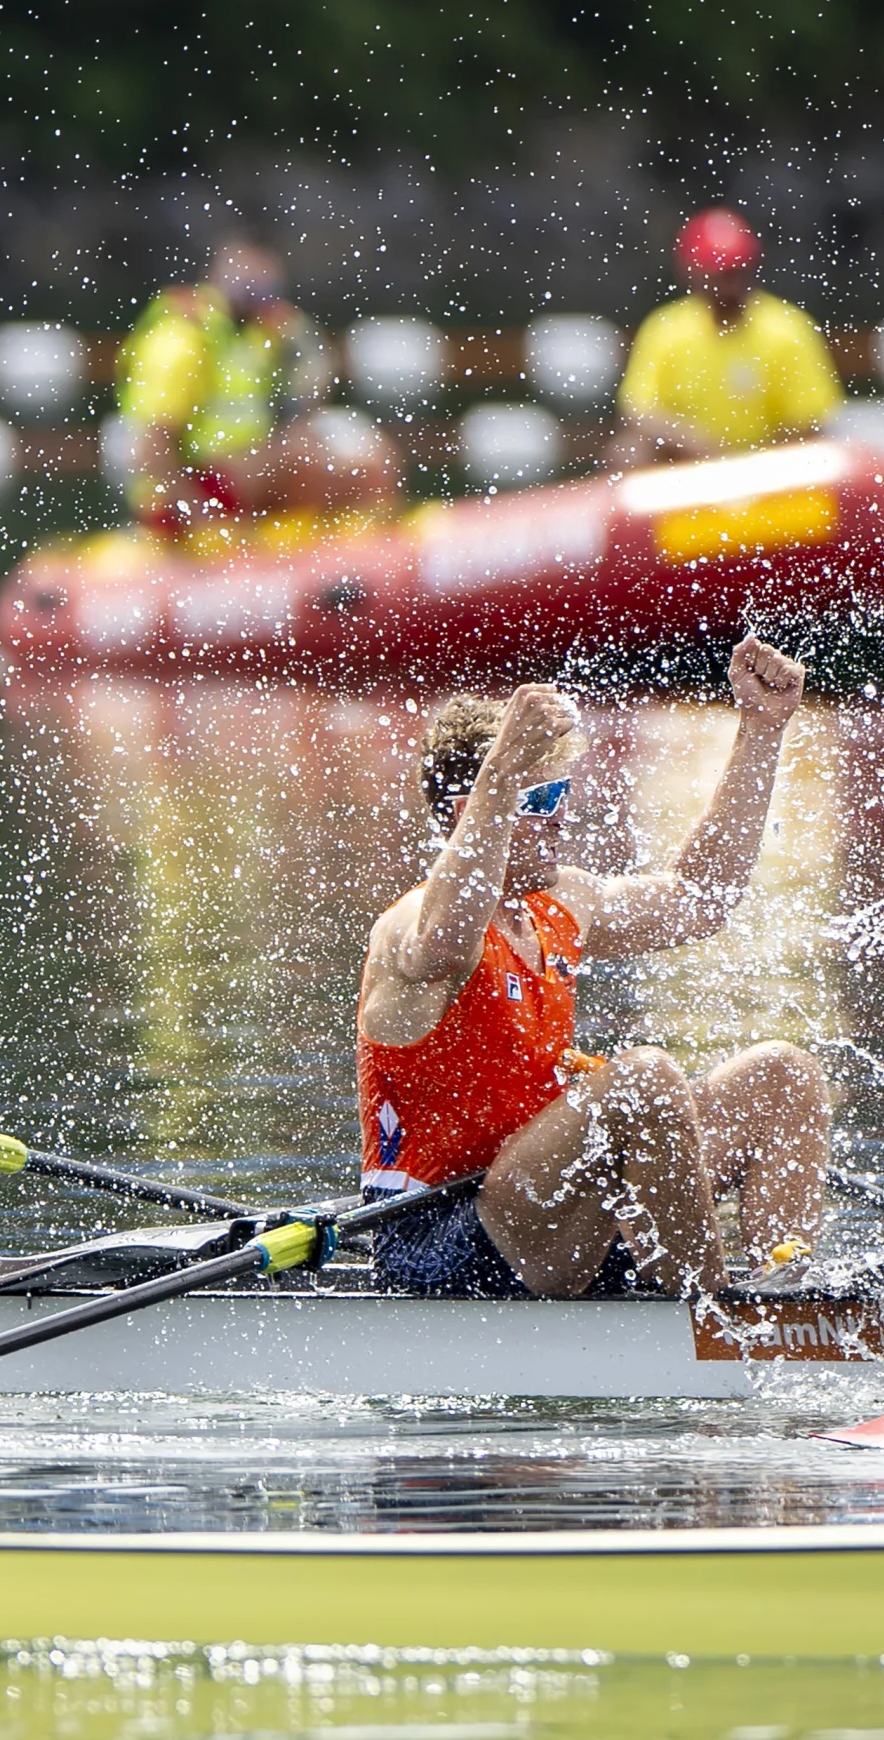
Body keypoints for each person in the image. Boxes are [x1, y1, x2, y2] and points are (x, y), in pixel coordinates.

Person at [354, 645, 831, 1299]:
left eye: (562, 793)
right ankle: (715, 1324)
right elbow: (441, 942)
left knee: (780, 1073)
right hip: (441, 1240)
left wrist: (760, 727)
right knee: (642, 1078)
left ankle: (792, 1300)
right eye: (541, 796)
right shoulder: (409, 929)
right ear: (474, 810)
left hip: (556, 1207)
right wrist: (501, 773)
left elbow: (703, 895)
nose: (561, 815)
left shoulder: (562, 902)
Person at [115, 237, 400, 530]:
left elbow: (316, 380)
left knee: (367, 459)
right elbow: (151, 445)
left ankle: (350, 543)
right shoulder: (183, 339)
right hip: (188, 496)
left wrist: (299, 341)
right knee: (302, 455)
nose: (261, 294)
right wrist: (197, 515)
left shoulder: (256, 334)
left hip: (236, 483)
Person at [605, 209, 845, 467]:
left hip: (773, 473)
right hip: (687, 468)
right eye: (720, 276)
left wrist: (748, 464)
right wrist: (702, 447)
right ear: (692, 275)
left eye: (737, 273)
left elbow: (809, 422)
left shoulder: (788, 329)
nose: (730, 287)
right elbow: (639, 414)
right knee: (627, 451)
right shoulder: (666, 329)